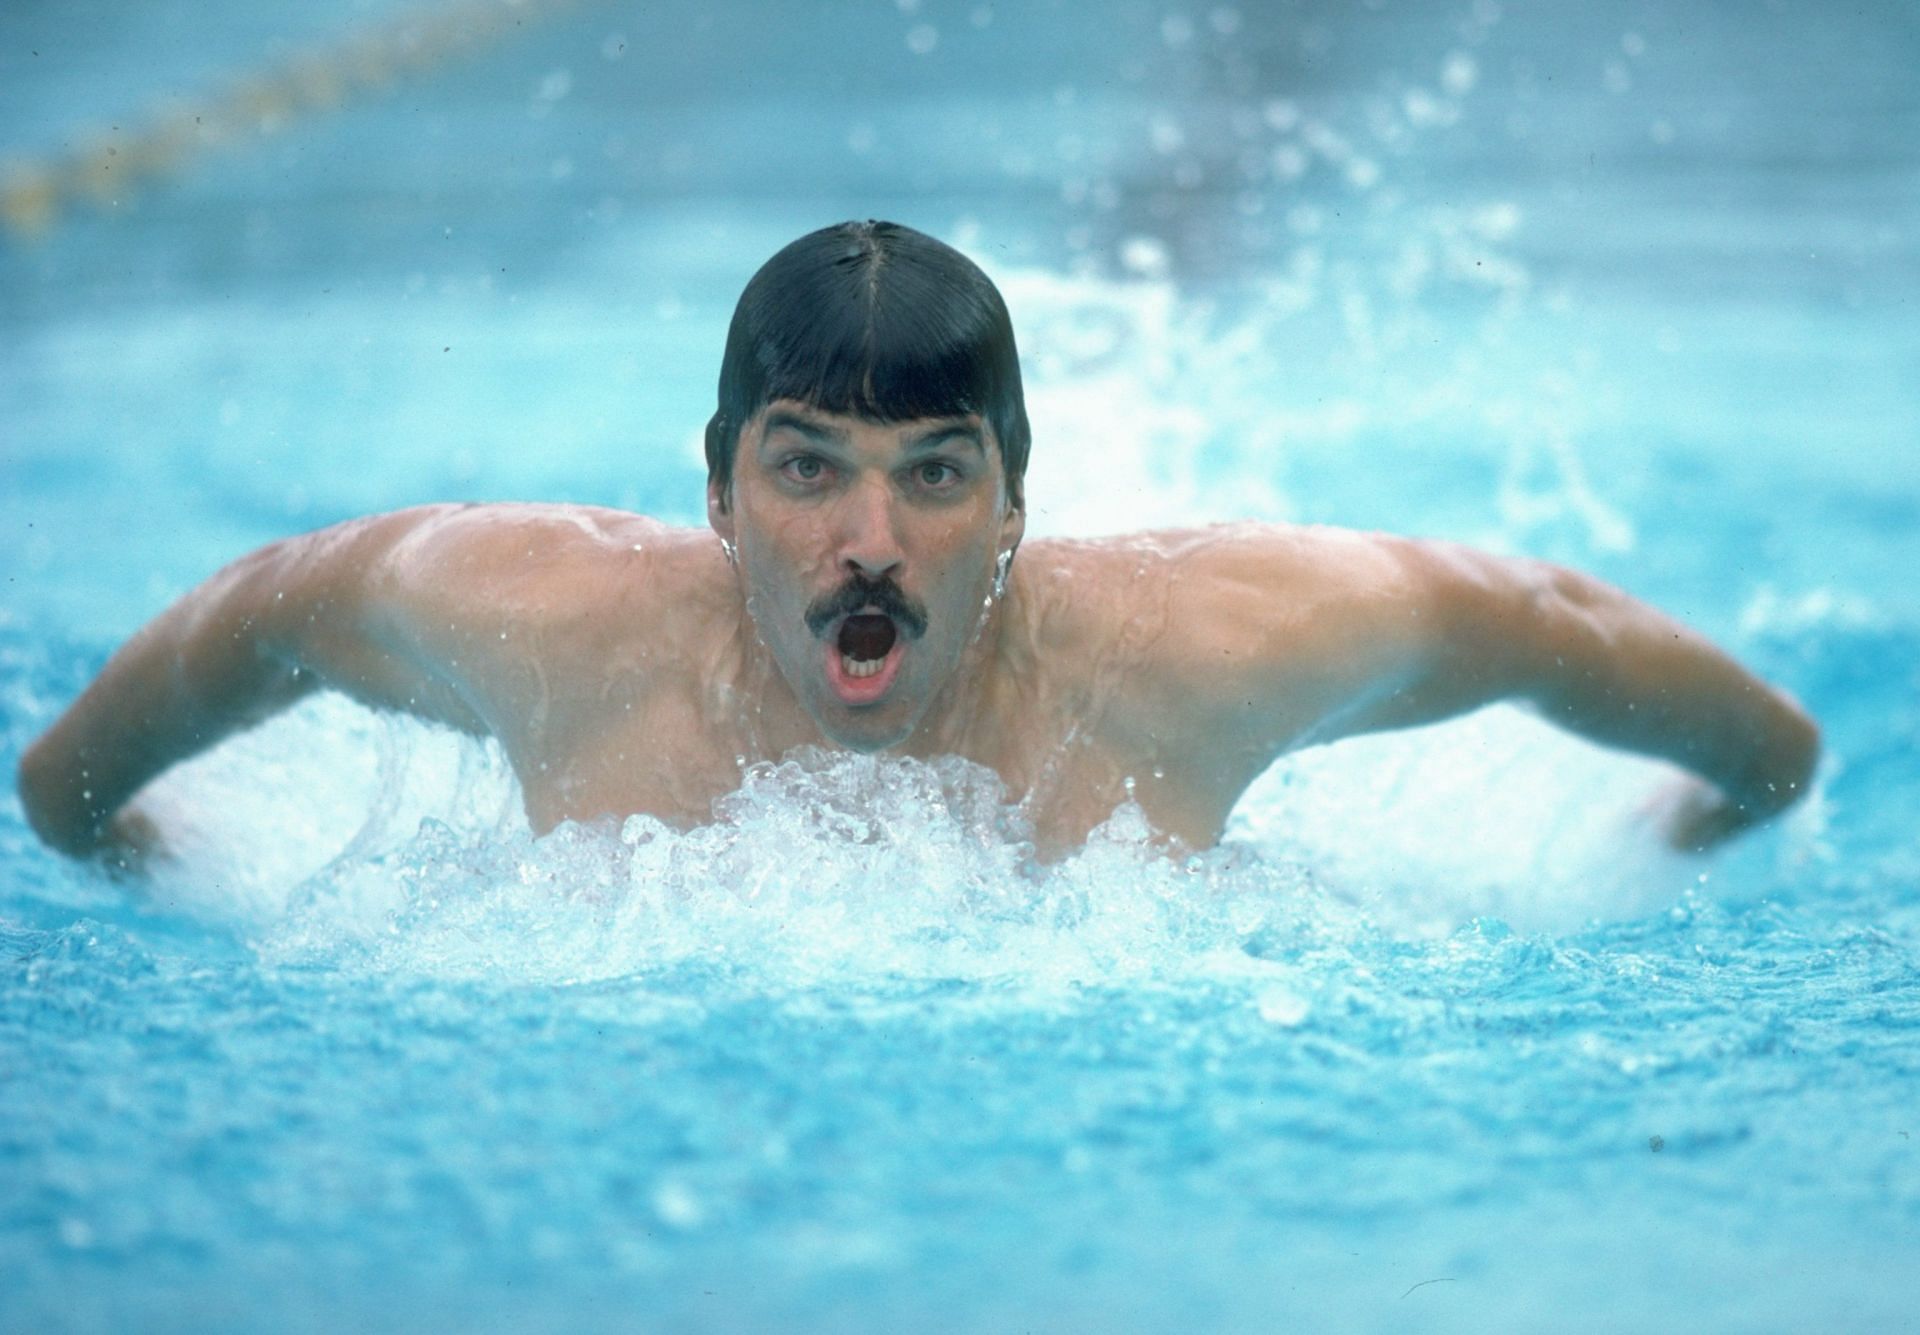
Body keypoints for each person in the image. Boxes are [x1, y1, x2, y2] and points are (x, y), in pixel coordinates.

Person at [17, 220, 1819, 866]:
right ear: (717, 492)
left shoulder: (1195, 655)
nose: (869, 542)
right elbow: (266, 606)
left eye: (936, 476)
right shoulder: (546, 621)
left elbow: (1526, 613)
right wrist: (102, 830)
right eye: (808, 471)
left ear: (1017, 504)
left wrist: (1733, 796)